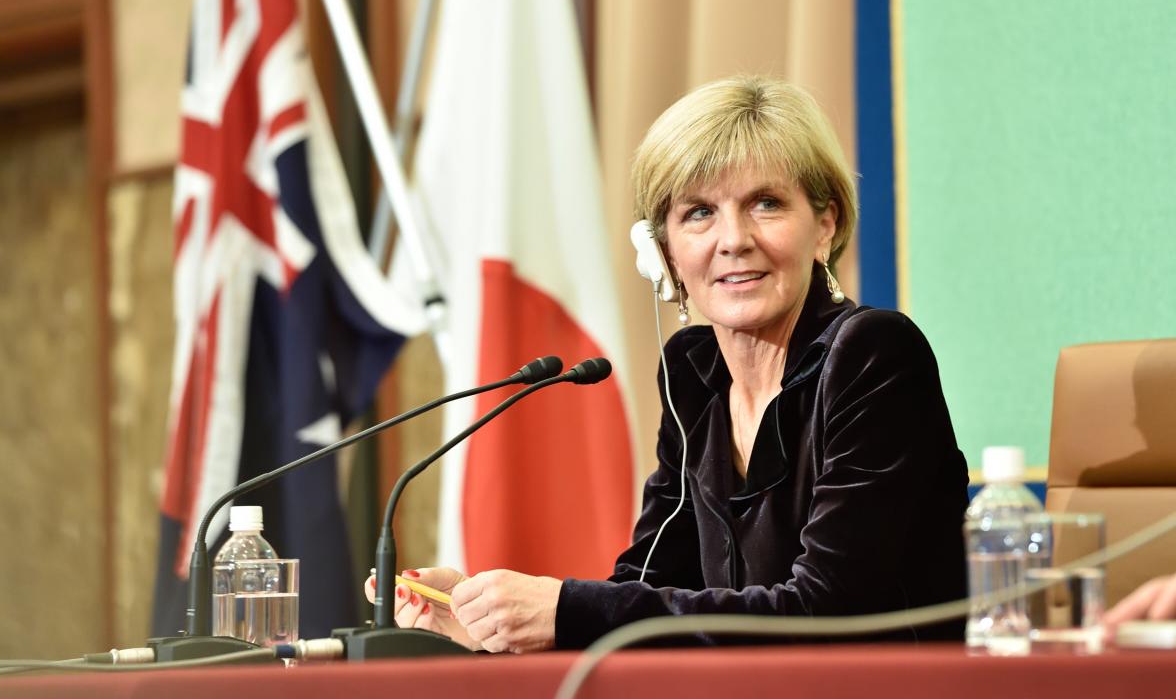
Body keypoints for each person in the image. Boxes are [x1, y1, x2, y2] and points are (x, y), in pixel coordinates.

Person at [366, 75, 971, 652]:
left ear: (824, 226)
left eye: (765, 203)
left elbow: (824, 609)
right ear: (665, 256)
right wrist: (490, 623)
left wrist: (564, 612)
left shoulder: (874, 356)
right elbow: (650, 584)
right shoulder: (694, 376)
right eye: (699, 213)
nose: (732, 239)